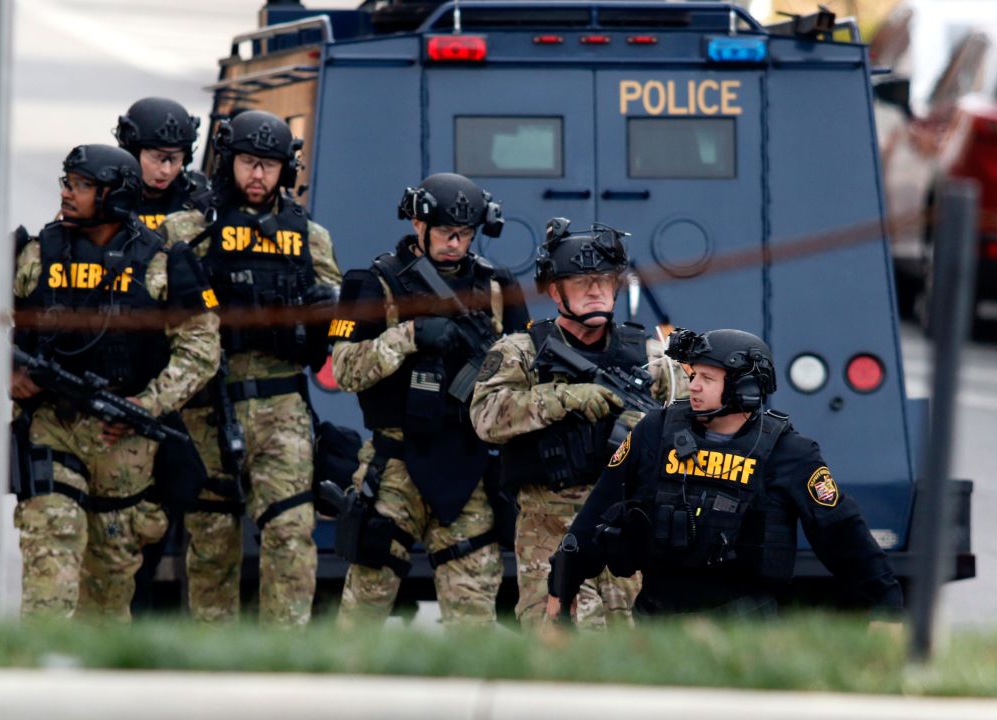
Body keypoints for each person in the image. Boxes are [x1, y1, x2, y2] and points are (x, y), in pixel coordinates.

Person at [547, 328, 903, 619]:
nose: (694, 386)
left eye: (707, 377)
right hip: (657, 621)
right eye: (692, 376)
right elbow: (598, 512)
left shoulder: (790, 453)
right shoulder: (654, 431)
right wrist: (559, 589)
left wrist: (886, 607)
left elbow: (841, 533)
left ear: (744, 388)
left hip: (744, 629)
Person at [10, 143, 218, 619]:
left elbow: (202, 350)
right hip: (53, 427)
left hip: (125, 443)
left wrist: (148, 405)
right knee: (51, 560)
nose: (67, 193)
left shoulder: (164, 263)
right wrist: (11, 373)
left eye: (81, 186)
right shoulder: (39, 254)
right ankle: (36, 682)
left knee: (108, 593)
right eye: (67, 182)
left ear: (116, 197)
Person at [160, 110, 341, 626]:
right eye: (247, 163)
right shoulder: (188, 228)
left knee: (290, 534)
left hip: (282, 405)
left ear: (286, 169)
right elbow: (155, 308)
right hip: (209, 406)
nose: (257, 176)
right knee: (213, 542)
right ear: (228, 162)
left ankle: (282, 661)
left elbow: (337, 318)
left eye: (268, 165)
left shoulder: (309, 235)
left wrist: (315, 319)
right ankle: (216, 665)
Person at [327, 172, 529, 627]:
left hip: (466, 463)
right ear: (419, 226)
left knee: (474, 610)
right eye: (444, 232)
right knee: (364, 608)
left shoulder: (498, 287)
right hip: (395, 463)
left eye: (464, 234)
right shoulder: (373, 283)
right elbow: (344, 371)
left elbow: (524, 375)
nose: (454, 243)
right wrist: (409, 335)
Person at [471, 218, 681, 630]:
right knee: (559, 649)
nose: (594, 290)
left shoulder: (652, 356)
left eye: (604, 281)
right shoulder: (521, 351)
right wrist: (561, 398)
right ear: (554, 291)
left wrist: (652, 431)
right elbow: (485, 417)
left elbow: (695, 423)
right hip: (549, 529)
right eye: (581, 281)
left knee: (634, 651)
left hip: (627, 528)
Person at [114, 96, 210, 613]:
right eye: (155, 155)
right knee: (127, 528)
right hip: (126, 373)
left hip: (192, 382)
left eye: (175, 157)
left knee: (193, 516)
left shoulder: (204, 205)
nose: (165, 168)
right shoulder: (108, 194)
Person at [114, 97, 207, 231]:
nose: (166, 170)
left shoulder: (197, 200)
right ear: (132, 154)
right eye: (156, 158)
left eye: (174, 159)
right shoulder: (106, 198)